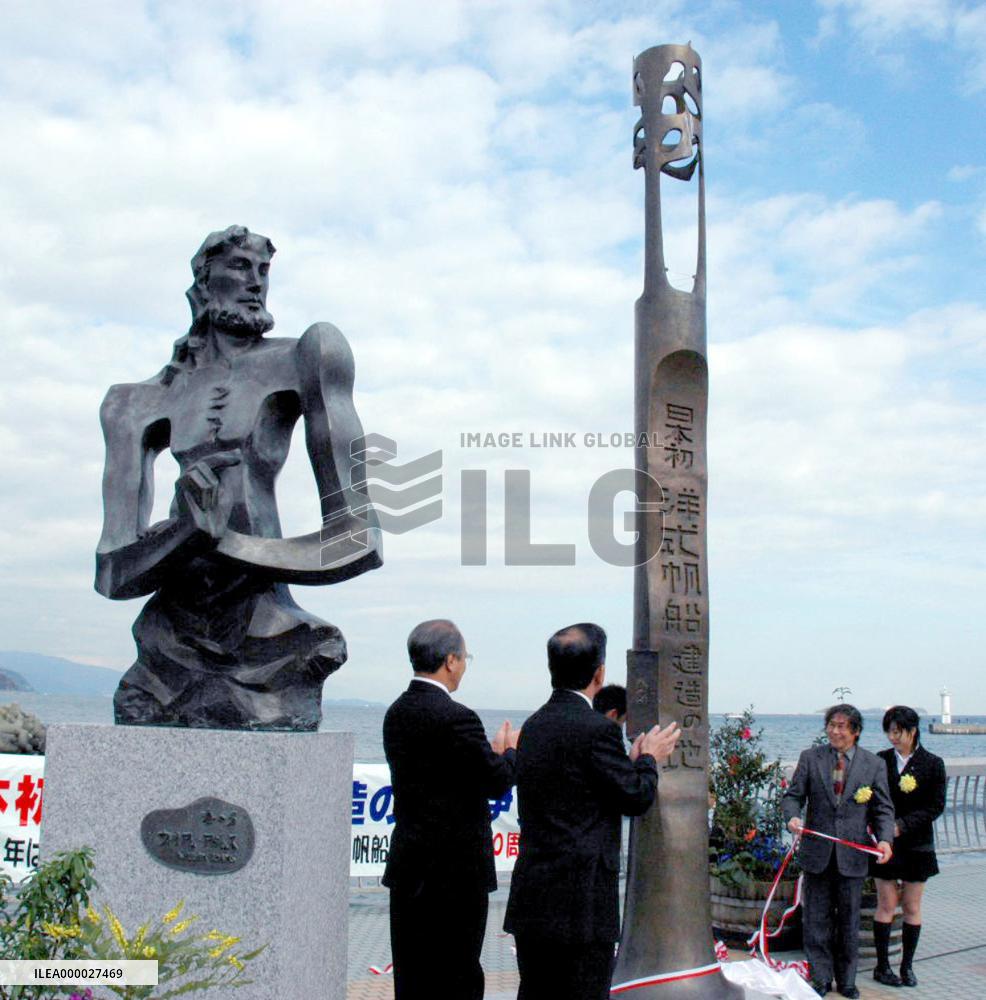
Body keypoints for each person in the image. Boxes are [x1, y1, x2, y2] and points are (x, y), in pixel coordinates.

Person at [95, 225, 381, 729]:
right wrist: (186, 534)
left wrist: (222, 541)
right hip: (169, 637)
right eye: (239, 267)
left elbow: (358, 540)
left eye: (264, 271)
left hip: (267, 627)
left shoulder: (308, 356)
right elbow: (113, 573)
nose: (256, 282)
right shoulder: (133, 403)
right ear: (204, 285)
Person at [504, 622, 680, 1000]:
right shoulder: (597, 731)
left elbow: (578, 787)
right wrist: (649, 759)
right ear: (599, 673)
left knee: (535, 991)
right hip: (581, 903)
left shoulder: (533, 726)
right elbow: (635, 797)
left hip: (534, 894)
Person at [382, 619, 518, 1000]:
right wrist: (508, 752)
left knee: (412, 977)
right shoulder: (457, 717)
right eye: (464, 657)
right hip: (456, 874)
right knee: (458, 975)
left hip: (409, 867)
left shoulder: (396, 712)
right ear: (451, 660)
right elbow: (496, 781)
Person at [783, 704, 894, 999]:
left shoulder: (873, 764)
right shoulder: (811, 758)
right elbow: (793, 796)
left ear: (856, 731)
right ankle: (820, 977)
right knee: (815, 919)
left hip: (853, 857)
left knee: (849, 920)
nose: (835, 731)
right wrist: (792, 817)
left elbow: (883, 809)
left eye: (842, 726)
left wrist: (885, 841)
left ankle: (847, 981)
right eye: (831, 725)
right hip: (817, 854)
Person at [870, 705, 946, 988]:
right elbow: (875, 800)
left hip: (917, 843)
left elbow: (936, 806)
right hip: (886, 843)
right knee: (886, 902)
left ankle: (907, 966)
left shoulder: (933, 763)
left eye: (897, 732)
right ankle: (882, 965)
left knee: (912, 905)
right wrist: (884, 828)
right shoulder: (881, 761)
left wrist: (904, 824)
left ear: (912, 731)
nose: (892, 737)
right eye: (889, 731)